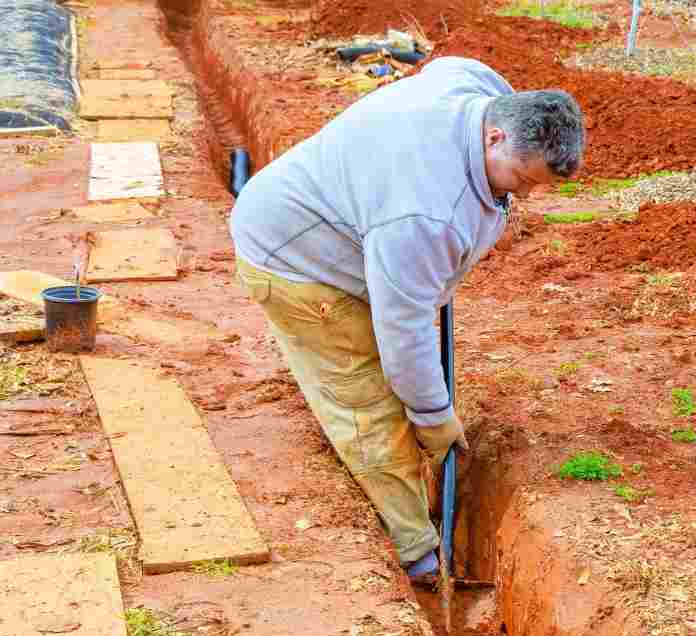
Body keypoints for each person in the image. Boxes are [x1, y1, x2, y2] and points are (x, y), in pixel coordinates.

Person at [228, 56, 585, 586]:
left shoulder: (479, 89)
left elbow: (449, 64)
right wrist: (432, 415)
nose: (523, 195)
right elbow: (404, 331)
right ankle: (417, 555)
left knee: (403, 378)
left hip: (352, 231)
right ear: (493, 137)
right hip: (296, 262)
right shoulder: (424, 215)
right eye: (520, 178)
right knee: (369, 404)